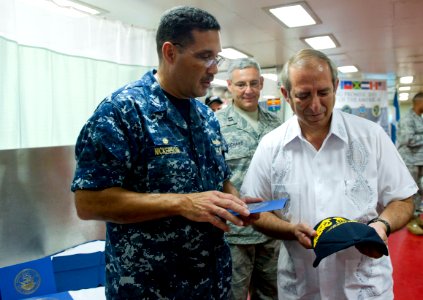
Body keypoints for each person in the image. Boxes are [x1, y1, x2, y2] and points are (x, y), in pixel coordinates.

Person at [70, 6, 257, 299]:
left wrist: (233, 201)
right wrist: (180, 203)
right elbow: (88, 203)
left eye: (216, 57)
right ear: (170, 52)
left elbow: (219, 181)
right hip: (152, 288)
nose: (214, 68)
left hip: (212, 283)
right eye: (204, 56)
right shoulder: (123, 111)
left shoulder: (205, 116)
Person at [240, 48, 417, 299]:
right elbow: (257, 209)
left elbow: (403, 199)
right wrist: (289, 230)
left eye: (324, 92)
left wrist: (382, 225)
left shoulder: (370, 137)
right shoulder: (272, 145)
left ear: (335, 86)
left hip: (364, 289)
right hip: (301, 287)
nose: (315, 105)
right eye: (303, 95)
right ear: (286, 95)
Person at [216, 58, 281, 300]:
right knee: (233, 294)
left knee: (272, 294)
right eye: (241, 84)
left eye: (254, 83)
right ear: (229, 86)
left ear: (262, 83)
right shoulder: (216, 125)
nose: (248, 90)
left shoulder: (276, 125)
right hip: (235, 232)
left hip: (272, 228)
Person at [397, 91, 423, 235]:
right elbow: (408, 140)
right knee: (412, 192)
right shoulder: (408, 119)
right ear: (419, 102)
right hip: (410, 161)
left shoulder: (419, 118)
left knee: (419, 191)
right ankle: (411, 220)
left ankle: (417, 216)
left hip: (419, 161)